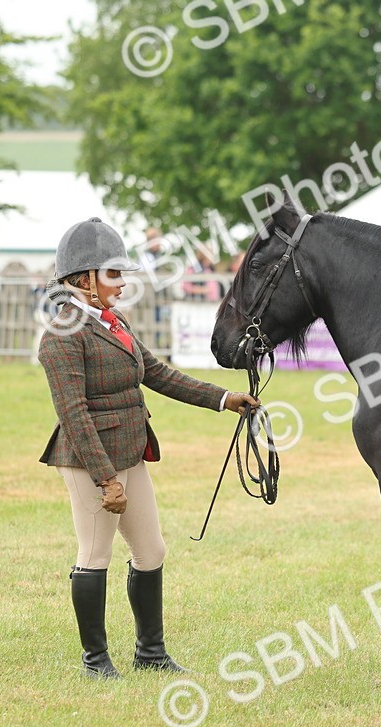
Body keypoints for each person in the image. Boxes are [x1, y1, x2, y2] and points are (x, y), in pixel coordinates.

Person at [38, 217, 258, 679]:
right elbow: (74, 415)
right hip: (89, 460)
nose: (122, 283)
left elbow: (157, 373)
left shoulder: (114, 321)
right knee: (94, 554)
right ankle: (96, 661)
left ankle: (150, 653)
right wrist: (106, 480)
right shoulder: (61, 335)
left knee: (151, 550)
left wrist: (223, 399)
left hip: (130, 449)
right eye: (114, 274)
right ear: (84, 279)